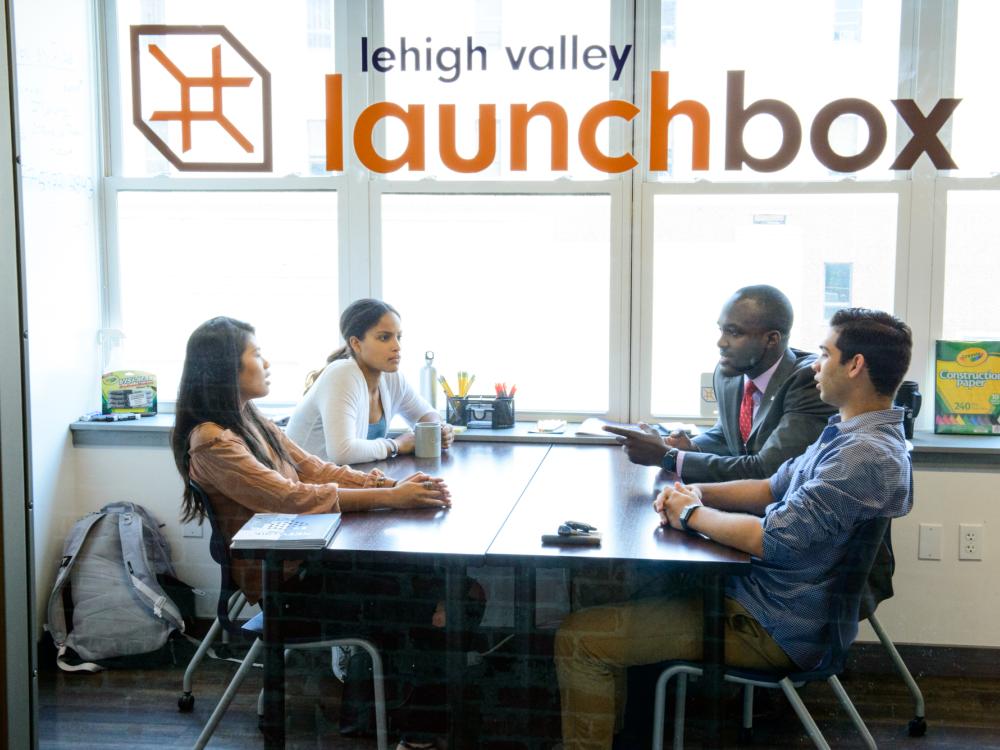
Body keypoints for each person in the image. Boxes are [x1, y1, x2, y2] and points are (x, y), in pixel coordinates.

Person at [555, 308, 914, 750]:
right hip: (766, 604)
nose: (815, 365)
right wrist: (696, 493)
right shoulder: (848, 434)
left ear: (855, 365)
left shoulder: (862, 455)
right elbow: (769, 487)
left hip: (771, 625)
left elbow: (774, 540)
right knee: (627, 600)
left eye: (824, 354)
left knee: (581, 640)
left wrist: (689, 514)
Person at [170, 316, 453, 750]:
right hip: (282, 584)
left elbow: (315, 469)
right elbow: (291, 497)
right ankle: (408, 731)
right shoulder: (213, 441)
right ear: (225, 368)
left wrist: (389, 487)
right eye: (256, 353)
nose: (266, 362)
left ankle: (383, 717)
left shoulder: (247, 418)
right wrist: (394, 498)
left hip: (304, 561)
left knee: (434, 585)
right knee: (420, 594)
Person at [605, 285, 835, 482]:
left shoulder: (809, 381)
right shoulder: (729, 374)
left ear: (771, 339)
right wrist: (690, 448)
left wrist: (667, 457)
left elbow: (766, 471)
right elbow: (727, 434)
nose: (721, 342)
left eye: (734, 333)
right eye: (721, 329)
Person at [286, 298, 453, 465]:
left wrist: (440, 429)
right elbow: (342, 453)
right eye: (384, 337)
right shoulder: (342, 374)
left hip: (346, 480)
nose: (397, 346)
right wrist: (397, 445)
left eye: (398, 337)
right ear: (356, 344)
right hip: (305, 483)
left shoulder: (391, 377)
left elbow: (425, 415)